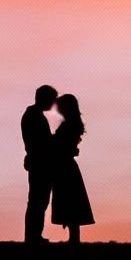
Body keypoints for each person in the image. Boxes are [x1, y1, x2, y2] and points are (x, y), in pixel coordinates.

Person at [49, 93, 95, 244]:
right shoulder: (72, 123)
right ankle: (73, 237)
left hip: (65, 165)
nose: (58, 110)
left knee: (70, 199)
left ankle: (74, 238)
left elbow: (62, 144)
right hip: (65, 164)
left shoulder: (70, 124)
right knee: (70, 199)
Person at [20, 85, 60, 244]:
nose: (54, 103)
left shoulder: (34, 115)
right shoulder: (34, 116)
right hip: (39, 163)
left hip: (38, 161)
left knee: (39, 201)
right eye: (52, 99)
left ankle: (34, 235)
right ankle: (32, 236)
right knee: (38, 200)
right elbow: (40, 142)